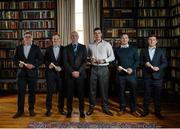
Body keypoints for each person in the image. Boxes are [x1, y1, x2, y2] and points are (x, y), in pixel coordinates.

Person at [13, 31, 43, 118]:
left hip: (32, 74)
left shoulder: (36, 48)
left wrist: (33, 65)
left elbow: (41, 60)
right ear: (23, 38)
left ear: (32, 38)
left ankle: (31, 110)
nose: (27, 38)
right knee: (21, 92)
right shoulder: (18, 48)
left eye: (29, 37)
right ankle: (20, 111)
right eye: (26, 37)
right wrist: (18, 64)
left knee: (32, 92)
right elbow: (14, 59)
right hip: (21, 74)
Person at [86, 27, 115, 116]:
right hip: (93, 69)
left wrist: (103, 60)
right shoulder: (90, 45)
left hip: (104, 69)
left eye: (99, 33)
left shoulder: (107, 44)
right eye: (95, 33)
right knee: (92, 89)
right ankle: (91, 107)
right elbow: (87, 57)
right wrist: (90, 60)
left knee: (104, 89)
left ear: (101, 34)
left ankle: (105, 108)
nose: (97, 35)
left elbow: (112, 57)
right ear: (94, 35)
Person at [140, 34, 167, 119]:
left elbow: (165, 63)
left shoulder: (161, 51)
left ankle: (157, 112)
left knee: (157, 96)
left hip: (158, 77)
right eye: (150, 40)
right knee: (146, 95)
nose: (151, 41)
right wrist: (145, 64)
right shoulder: (143, 51)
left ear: (156, 41)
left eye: (153, 40)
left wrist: (158, 67)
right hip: (147, 77)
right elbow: (140, 62)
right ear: (148, 41)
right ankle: (145, 111)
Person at [114, 33, 140, 117]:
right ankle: (122, 108)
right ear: (120, 39)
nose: (124, 39)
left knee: (133, 92)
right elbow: (114, 61)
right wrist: (117, 66)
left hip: (131, 74)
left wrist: (132, 68)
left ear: (128, 39)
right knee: (121, 92)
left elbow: (137, 61)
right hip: (120, 75)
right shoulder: (116, 50)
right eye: (122, 38)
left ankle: (134, 109)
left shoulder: (134, 49)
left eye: (126, 38)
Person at [63, 31, 87, 118]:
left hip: (80, 75)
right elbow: (65, 62)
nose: (74, 37)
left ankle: (81, 111)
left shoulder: (83, 47)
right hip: (70, 75)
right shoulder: (66, 48)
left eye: (76, 35)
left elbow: (85, 61)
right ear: (70, 37)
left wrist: (79, 71)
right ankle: (69, 111)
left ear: (78, 36)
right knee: (69, 94)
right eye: (72, 36)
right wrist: (72, 72)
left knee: (81, 94)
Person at [44, 32, 66, 117]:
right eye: (54, 39)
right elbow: (45, 60)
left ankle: (61, 108)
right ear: (52, 40)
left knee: (61, 92)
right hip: (50, 73)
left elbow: (66, 61)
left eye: (57, 39)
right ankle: (48, 109)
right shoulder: (48, 49)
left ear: (59, 40)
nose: (55, 40)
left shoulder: (64, 49)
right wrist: (48, 64)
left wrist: (62, 68)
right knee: (49, 92)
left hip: (60, 74)